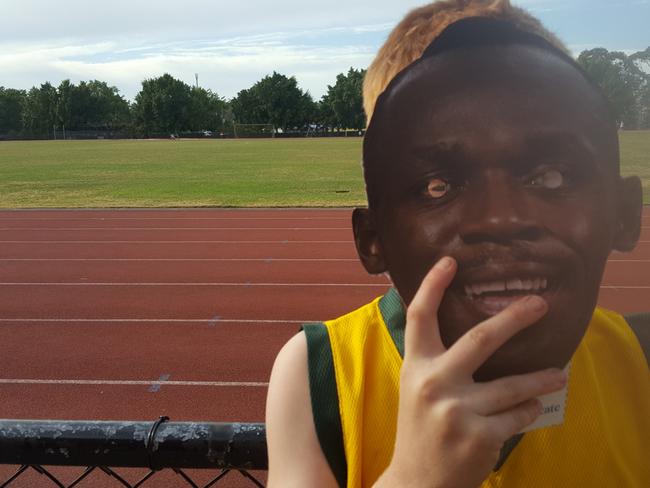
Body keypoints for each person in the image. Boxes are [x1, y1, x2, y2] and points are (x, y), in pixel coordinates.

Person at [266, 1, 650, 487]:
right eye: (438, 186)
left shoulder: (638, 359)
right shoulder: (319, 372)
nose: (502, 220)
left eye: (550, 176)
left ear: (622, 212)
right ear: (373, 237)